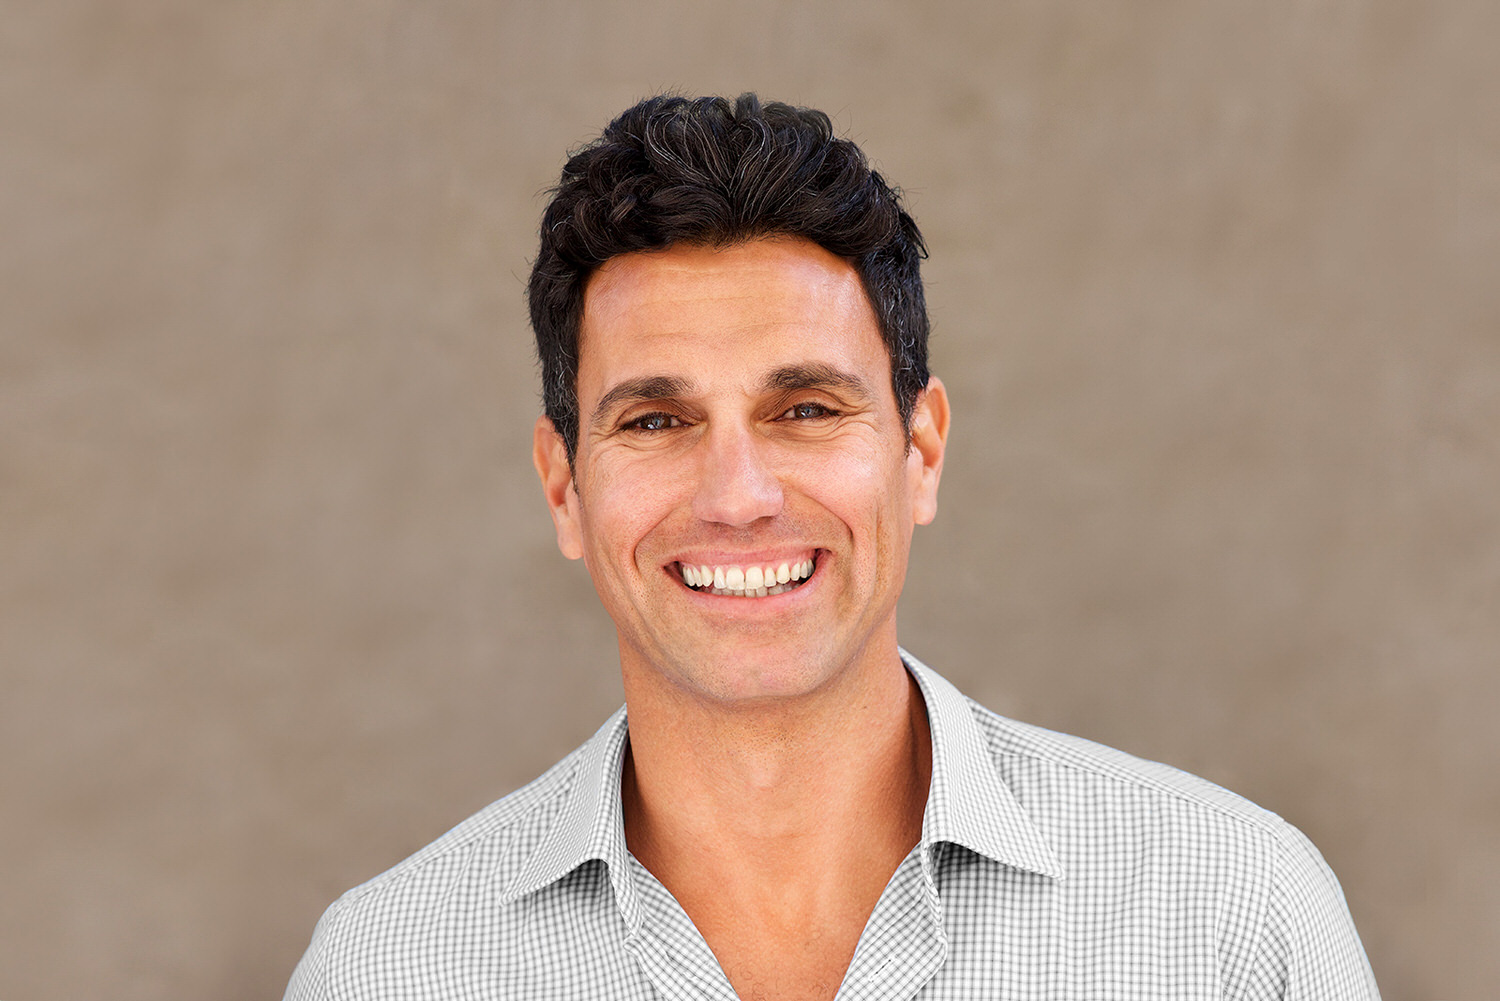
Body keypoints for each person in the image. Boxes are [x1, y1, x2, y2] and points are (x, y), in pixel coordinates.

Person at [284, 94, 1379, 1000]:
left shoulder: (1232, 919)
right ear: (565, 484)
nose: (738, 495)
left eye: (805, 408)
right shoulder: (386, 969)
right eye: (655, 420)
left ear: (921, 449)